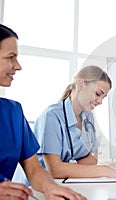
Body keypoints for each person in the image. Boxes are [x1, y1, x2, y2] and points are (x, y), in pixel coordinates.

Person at [0, 24, 86, 199]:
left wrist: (50, 187)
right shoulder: (51, 115)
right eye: (11, 57)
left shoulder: (13, 112)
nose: (18, 66)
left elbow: (34, 169)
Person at [32, 65, 116, 179]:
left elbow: (92, 159)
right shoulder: (51, 116)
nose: (100, 101)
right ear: (80, 84)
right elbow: (55, 170)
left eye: (103, 97)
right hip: (41, 188)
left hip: (69, 184)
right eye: (98, 94)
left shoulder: (88, 117)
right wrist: (107, 170)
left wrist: (67, 169)